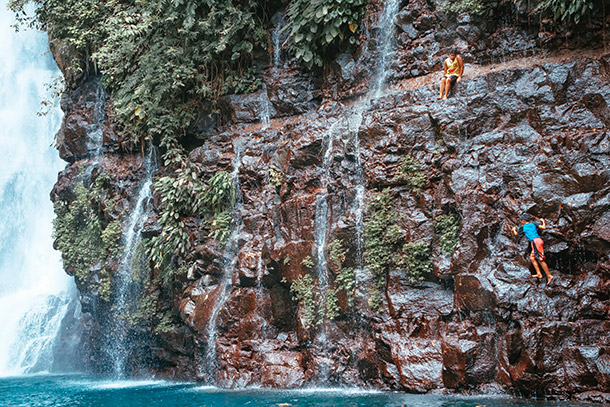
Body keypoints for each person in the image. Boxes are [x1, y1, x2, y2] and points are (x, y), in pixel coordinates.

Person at [511, 214, 554, 284]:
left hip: (535, 242)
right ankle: (539, 273)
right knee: (532, 258)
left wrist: (514, 230)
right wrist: (543, 221)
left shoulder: (523, 227)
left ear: (524, 221)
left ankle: (549, 276)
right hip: (537, 241)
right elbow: (544, 227)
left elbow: (516, 234)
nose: (521, 222)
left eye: (521, 220)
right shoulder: (533, 224)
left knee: (540, 259)